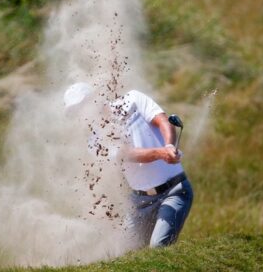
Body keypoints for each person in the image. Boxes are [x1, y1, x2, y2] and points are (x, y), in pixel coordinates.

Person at [64, 82, 193, 248]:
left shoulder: (133, 99)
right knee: (125, 254)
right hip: (139, 203)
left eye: (81, 107)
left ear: (94, 99)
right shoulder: (95, 142)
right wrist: (161, 153)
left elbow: (163, 121)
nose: (80, 115)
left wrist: (169, 146)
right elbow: (129, 154)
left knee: (158, 247)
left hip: (174, 190)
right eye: (75, 112)